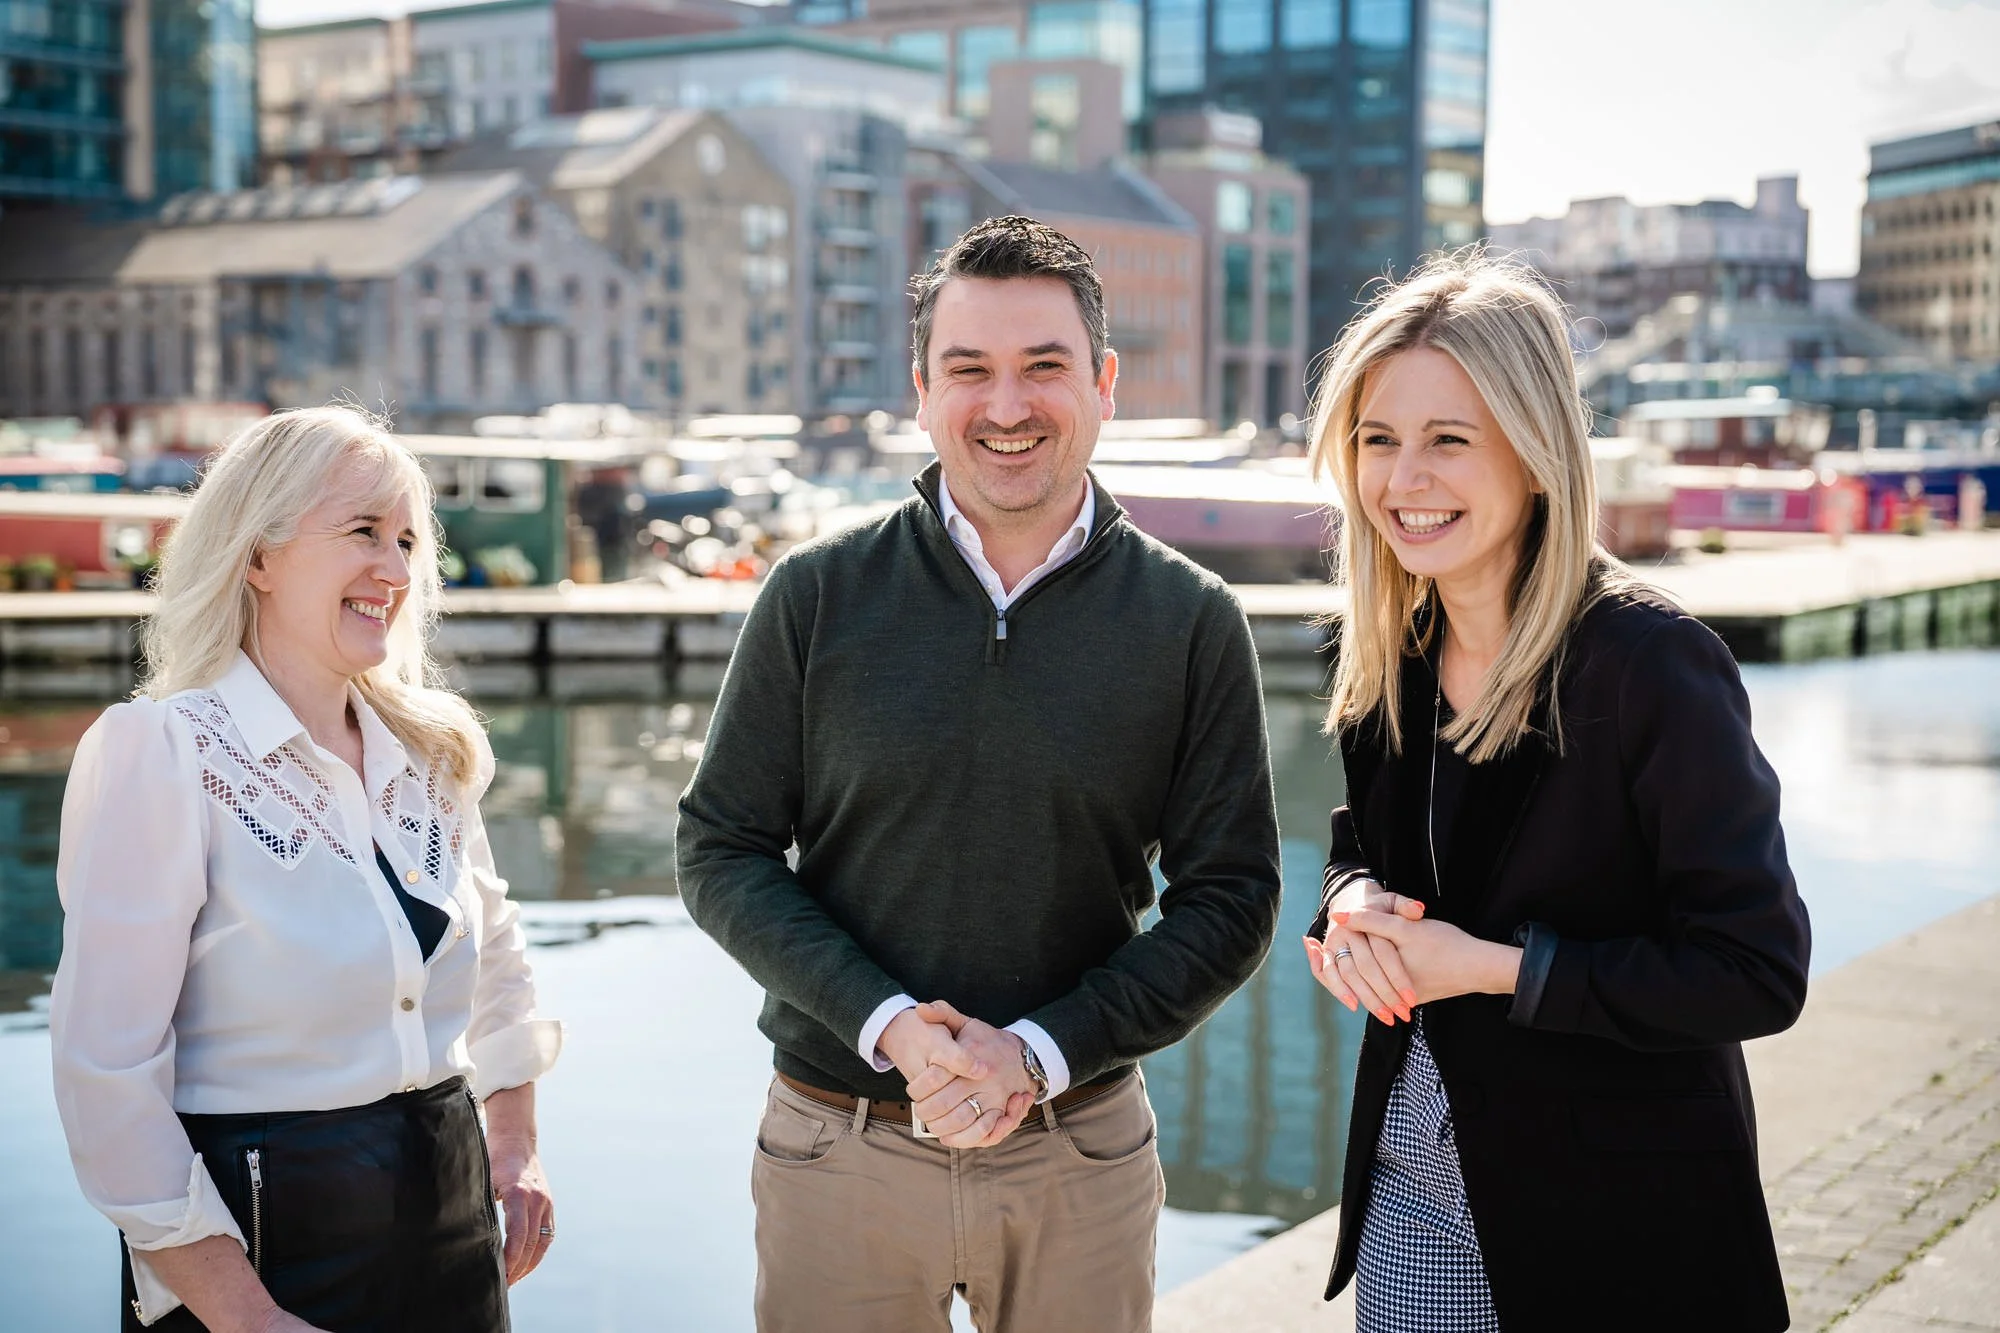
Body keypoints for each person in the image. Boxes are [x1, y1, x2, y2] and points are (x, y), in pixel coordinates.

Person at [675, 215, 1283, 1333]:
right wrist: (892, 1024)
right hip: (837, 1147)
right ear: (921, 391)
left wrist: (1039, 1052)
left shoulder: (1192, 621)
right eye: (969, 371)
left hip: (1078, 1152)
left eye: (1042, 367)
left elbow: (1232, 898)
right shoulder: (814, 596)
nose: (1005, 407)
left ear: (1102, 381)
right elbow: (721, 849)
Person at [1299, 251, 1811, 1330]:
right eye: (1377, 440)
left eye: (1448, 439)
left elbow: (1753, 969)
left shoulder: (1649, 666)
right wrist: (1349, 904)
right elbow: (1368, 840)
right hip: (1411, 1178)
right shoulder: (1381, 646)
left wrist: (1489, 969)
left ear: (1533, 451)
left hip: (1618, 1218)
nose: (1402, 479)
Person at [51, 407, 563, 1332]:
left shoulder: (432, 751)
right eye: (363, 531)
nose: (397, 571)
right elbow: (106, 1074)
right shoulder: (161, 753)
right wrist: (243, 1314)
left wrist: (517, 1147)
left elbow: (498, 972)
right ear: (257, 556)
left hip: (452, 1234)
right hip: (254, 1257)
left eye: (407, 539)